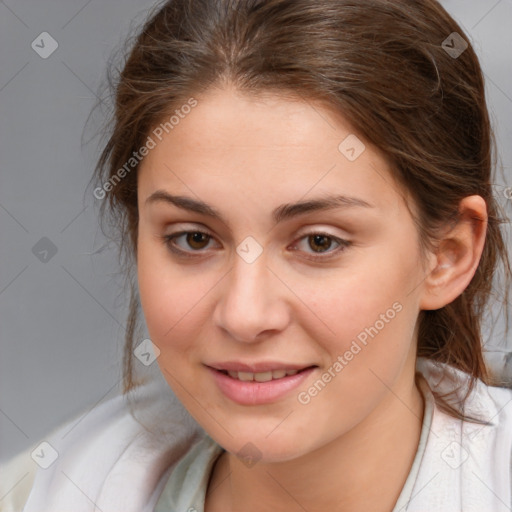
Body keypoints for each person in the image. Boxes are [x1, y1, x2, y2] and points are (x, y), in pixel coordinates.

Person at [1, 0, 511, 510]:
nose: (245, 316)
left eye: (319, 242)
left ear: (447, 254)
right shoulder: (44, 491)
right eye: (193, 238)